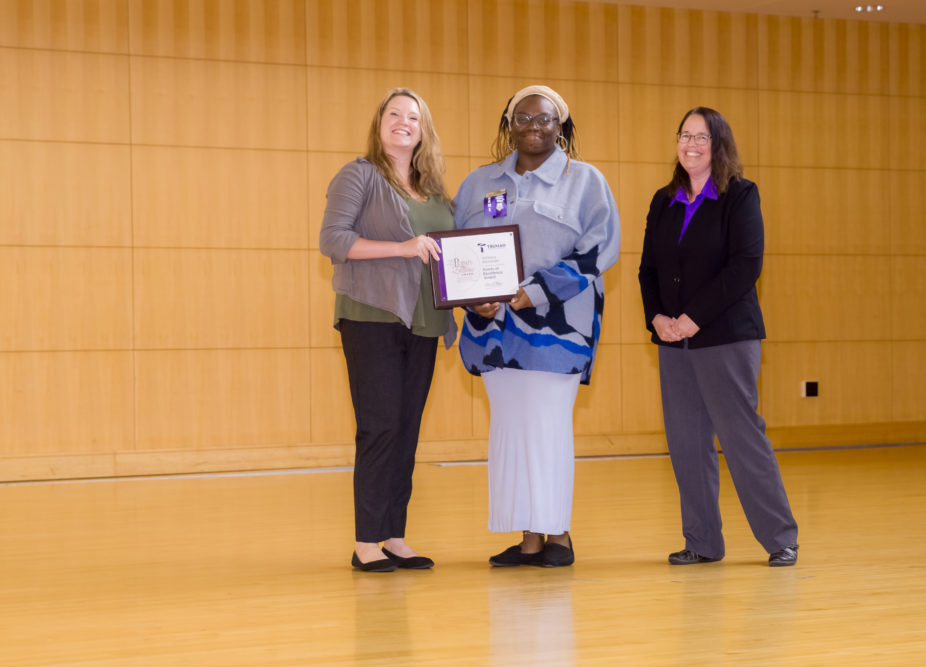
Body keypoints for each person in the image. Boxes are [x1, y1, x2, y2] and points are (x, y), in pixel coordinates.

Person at [454, 85, 620, 568]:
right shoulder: (479, 182)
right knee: (511, 429)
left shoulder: (585, 181)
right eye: (523, 117)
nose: (533, 126)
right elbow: (456, 251)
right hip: (495, 332)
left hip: (556, 331)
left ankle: (559, 536)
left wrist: (538, 291)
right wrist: (472, 299)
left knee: (547, 428)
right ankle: (529, 539)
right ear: (509, 124)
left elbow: (599, 249)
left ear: (560, 125)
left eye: (544, 118)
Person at [638, 106, 800, 567]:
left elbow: (745, 266)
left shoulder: (740, 195)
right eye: (684, 135)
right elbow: (647, 269)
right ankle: (702, 542)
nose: (691, 144)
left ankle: (780, 538)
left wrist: (692, 318)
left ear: (719, 145)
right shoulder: (662, 199)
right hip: (673, 342)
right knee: (687, 443)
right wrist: (657, 319)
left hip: (725, 336)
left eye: (701, 137)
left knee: (741, 438)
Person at [319, 88, 457, 573]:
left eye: (413, 117)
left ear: (424, 130)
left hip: (424, 322)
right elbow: (333, 240)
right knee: (379, 428)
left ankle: (394, 535)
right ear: (379, 125)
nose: (403, 122)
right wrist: (401, 247)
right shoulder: (358, 176)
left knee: (407, 430)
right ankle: (365, 543)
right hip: (371, 318)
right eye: (394, 114)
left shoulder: (435, 190)